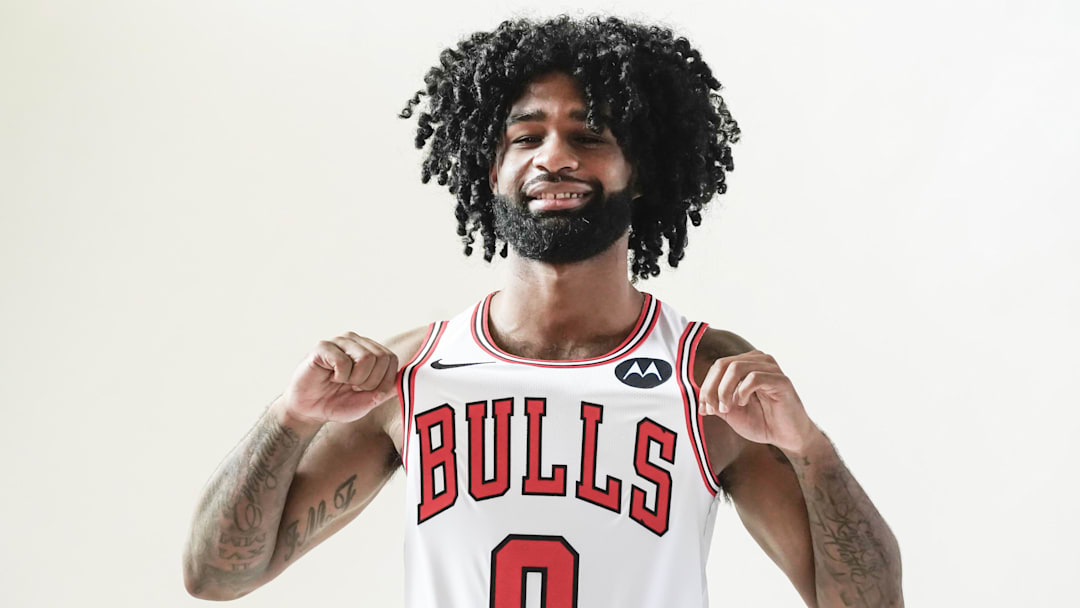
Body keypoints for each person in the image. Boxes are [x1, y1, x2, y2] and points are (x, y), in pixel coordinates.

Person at [182, 15, 903, 607]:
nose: (554, 158)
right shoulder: (406, 373)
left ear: (639, 170)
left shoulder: (706, 374)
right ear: (490, 168)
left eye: (589, 136)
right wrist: (290, 418)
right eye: (526, 137)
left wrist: (810, 449)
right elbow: (216, 577)